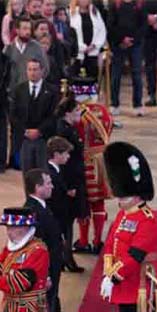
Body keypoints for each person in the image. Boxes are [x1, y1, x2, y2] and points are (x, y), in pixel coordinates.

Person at [99, 141, 157, 312]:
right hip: (124, 286)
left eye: (123, 194)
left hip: (140, 287)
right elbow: (111, 245)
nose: (119, 198)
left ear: (136, 196)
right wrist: (107, 274)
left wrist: (113, 278)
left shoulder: (148, 220)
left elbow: (135, 256)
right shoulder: (123, 214)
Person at [0, 207, 54, 312]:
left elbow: (19, 283)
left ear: (25, 227)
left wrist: (8, 277)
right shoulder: (11, 248)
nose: (8, 231)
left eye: (12, 227)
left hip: (28, 311)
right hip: (12, 308)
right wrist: (8, 277)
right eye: (7, 227)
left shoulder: (38, 250)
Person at [22, 168, 75, 312]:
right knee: (45, 301)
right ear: (38, 188)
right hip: (46, 266)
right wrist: (45, 275)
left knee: (52, 295)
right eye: (48, 183)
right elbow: (36, 247)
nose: (52, 186)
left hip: (54, 261)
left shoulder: (42, 205)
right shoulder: (33, 211)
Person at [70, 75, 113, 255]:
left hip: (84, 161)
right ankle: (98, 241)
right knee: (99, 204)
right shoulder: (103, 111)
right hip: (101, 161)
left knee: (83, 203)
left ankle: (83, 240)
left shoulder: (78, 113)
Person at [53, 94, 85, 272]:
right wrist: (70, 187)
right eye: (77, 111)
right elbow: (67, 163)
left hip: (73, 181)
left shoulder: (68, 128)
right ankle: (66, 258)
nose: (80, 113)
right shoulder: (65, 131)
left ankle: (67, 258)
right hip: (69, 183)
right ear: (68, 113)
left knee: (68, 222)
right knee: (66, 223)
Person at [10, 58, 59, 172]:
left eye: (35, 69)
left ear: (42, 71)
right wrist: (25, 131)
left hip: (44, 139)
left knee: (44, 173)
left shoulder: (52, 91)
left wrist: (39, 131)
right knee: (27, 174)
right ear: (26, 71)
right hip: (24, 140)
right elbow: (13, 115)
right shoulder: (18, 90)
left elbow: (54, 115)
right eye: (30, 69)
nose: (32, 72)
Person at [45, 136, 82, 272]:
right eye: (66, 153)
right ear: (56, 155)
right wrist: (67, 193)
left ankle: (64, 261)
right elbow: (53, 199)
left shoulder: (57, 170)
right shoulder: (51, 174)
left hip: (62, 214)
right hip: (58, 217)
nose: (68, 156)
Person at [107, 0, 146, 117]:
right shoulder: (115, 4)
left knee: (137, 74)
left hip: (135, 44)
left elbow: (143, 25)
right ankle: (114, 104)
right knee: (116, 75)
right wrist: (122, 39)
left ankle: (138, 104)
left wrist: (133, 39)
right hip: (118, 44)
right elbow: (111, 25)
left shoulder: (139, 4)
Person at [69, 0, 107, 80]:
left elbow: (102, 30)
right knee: (77, 78)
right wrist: (81, 47)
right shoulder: (71, 12)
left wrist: (94, 45)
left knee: (92, 78)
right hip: (78, 53)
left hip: (92, 52)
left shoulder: (95, 12)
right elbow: (70, 33)